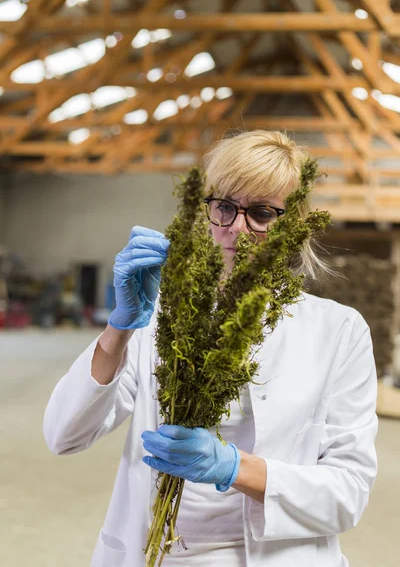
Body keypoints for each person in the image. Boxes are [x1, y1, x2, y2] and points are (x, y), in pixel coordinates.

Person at [43, 130, 378, 567]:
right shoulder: (163, 316)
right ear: (207, 210)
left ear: (293, 223)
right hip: (156, 555)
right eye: (224, 207)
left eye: (260, 213)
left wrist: (233, 467)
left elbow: (347, 494)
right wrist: (119, 328)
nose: (237, 229)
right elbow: (63, 436)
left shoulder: (338, 331)